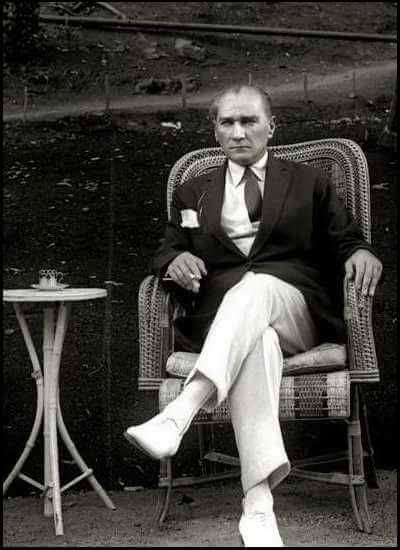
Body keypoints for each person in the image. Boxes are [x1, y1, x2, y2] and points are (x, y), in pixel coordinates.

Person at [125, 84, 382, 547]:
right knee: (257, 342)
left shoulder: (308, 182)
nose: (238, 132)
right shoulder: (193, 191)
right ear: (215, 131)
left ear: (271, 127)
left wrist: (361, 251)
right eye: (228, 122)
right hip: (228, 322)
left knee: (258, 285)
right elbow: (168, 249)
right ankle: (259, 508)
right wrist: (174, 261)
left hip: (296, 310)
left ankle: (180, 411)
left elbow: (346, 238)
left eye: (249, 121)